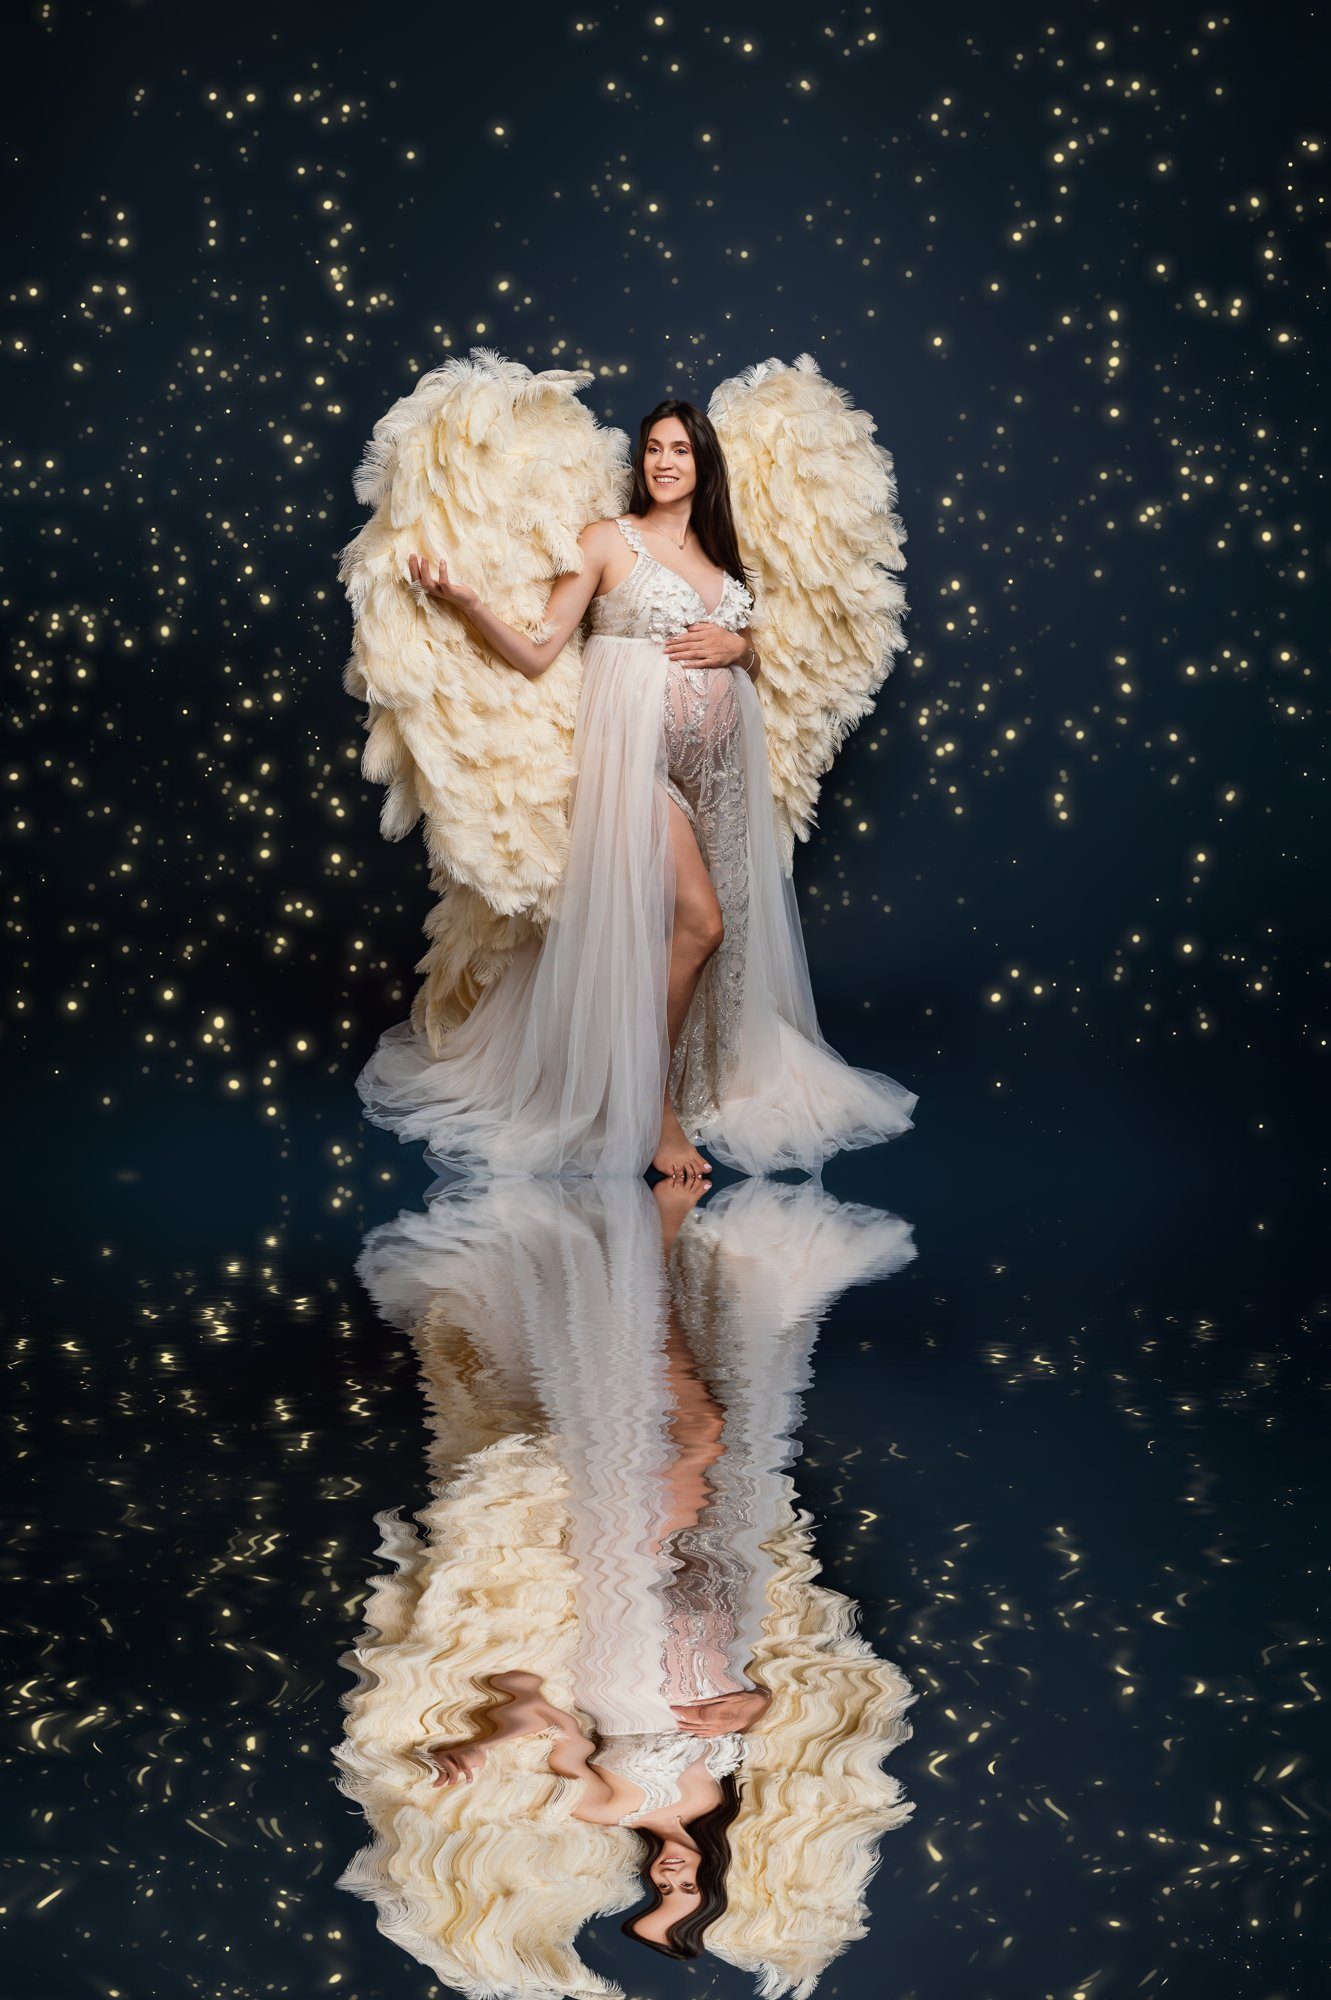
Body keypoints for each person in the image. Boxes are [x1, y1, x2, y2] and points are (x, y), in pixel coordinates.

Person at [353, 391, 918, 1185]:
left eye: (679, 450)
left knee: (715, 937)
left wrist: (742, 649)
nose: (662, 461)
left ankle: (687, 1081)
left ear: (701, 465)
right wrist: (466, 598)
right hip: (636, 772)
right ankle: (652, 1116)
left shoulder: (723, 567)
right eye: (653, 448)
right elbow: (540, 649)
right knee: (701, 925)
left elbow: (744, 658)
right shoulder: (608, 542)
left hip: (721, 775)